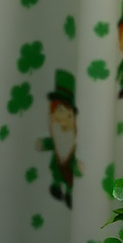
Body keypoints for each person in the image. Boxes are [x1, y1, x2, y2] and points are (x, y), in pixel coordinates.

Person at [36, 71, 81, 207]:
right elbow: (53, 142)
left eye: (68, 114)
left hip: (69, 163)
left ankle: (68, 192)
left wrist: (78, 168)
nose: (58, 116)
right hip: (58, 162)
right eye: (58, 110)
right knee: (57, 173)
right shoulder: (56, 131)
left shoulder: (73, 137)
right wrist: (44, 143)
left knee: (69, 176)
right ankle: (56, 186)